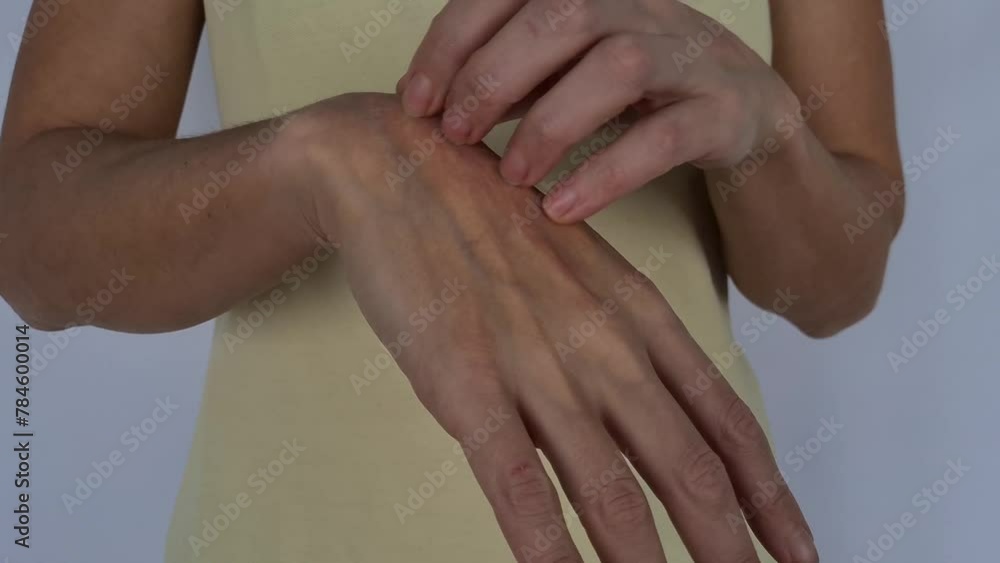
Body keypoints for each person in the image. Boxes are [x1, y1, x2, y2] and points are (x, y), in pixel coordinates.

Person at [0, 0, 903, 561]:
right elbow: (31, 230)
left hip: (677, 532)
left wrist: (767, 133)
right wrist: (329, 161)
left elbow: (836, 286)